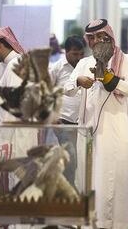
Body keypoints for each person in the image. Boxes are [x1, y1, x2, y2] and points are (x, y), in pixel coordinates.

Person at [65, 19, 128, 229]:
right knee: (92, 181)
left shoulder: (123, 60)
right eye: (93, 37)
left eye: (100, 36)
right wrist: (79, 81)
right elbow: (67, 88)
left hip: (116, 133)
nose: (97, 41)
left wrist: (109, 78)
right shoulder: (84, 63)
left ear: (109, 37)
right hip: (90, 133)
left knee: (116, 180)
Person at [48, 35, 86, 185]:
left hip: (83, 122)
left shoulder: (85, 67)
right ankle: (67, 194)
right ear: (66, 52)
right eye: (75, 54)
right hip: (63, 121)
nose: (78, 57)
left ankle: (74, 189)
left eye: (81, 54)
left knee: (80, 158)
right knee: (70, 157)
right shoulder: (56, 68)